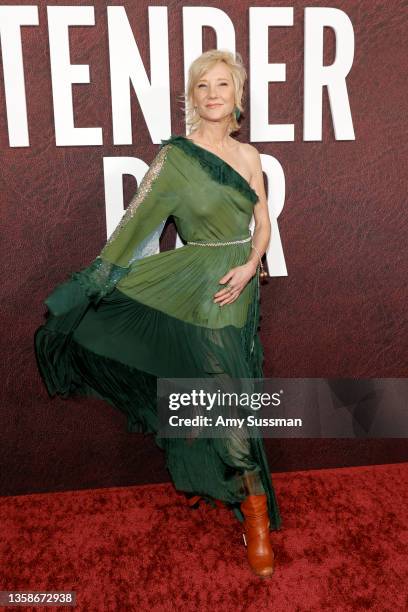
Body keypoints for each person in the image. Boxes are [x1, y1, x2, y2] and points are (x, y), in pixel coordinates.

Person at [34, 49, 282, 577]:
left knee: (222, 392)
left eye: (222, 85)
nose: (213, 94)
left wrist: (253, 263)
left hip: (240, 286)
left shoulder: (250, 156)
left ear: (238, 96)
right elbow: (135, 226)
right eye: (202, 87)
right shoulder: (175, 159)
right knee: (226, 398)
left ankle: (212, 482)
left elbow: (264, 223)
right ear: (191, 99)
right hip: (197, 289)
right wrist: (91, 285)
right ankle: (255, 514)